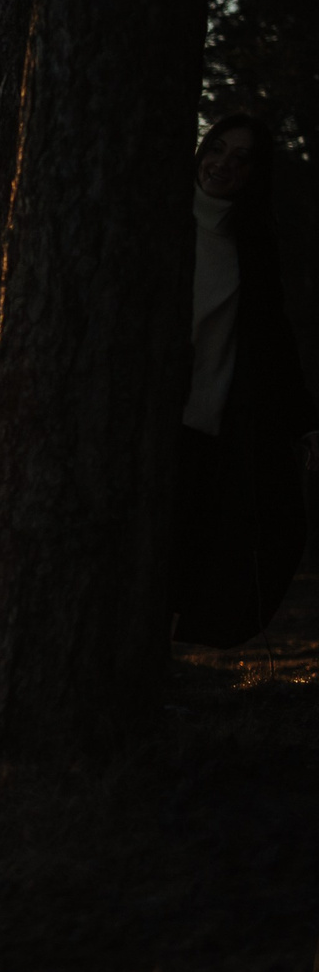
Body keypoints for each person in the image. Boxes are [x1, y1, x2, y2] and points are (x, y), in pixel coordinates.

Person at [168, 114, 319, 647]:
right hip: (144, 420)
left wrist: (305, 422)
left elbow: (274, 336)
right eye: (218, 148)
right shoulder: (157, 218)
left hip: (209, 421)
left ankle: (183, 651)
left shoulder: (251, 242)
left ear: (255, 174)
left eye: (240, 158)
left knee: (250, 532)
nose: (223, 164)